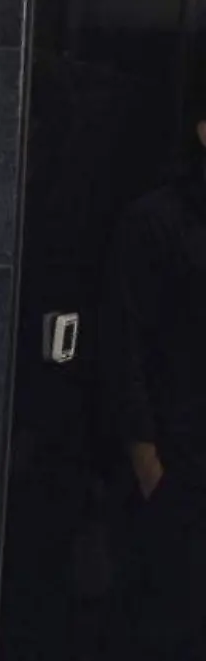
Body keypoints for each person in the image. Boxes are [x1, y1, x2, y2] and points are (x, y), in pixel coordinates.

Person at [101, 114, 206, 660]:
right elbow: (125, 342)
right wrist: (147, 459)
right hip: (180, 458)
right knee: (172, 619)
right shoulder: (157, 219)